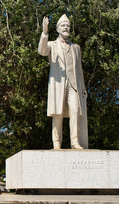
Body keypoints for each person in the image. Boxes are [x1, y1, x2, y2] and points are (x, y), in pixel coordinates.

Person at [38, 14, 88, 150]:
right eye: (63, 26)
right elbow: (42, 51)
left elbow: (79, 69)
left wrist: (83, 88)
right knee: (58, 113)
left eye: (68, 26)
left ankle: (74, 142)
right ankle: (56, 142)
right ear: (58, 29)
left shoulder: (76, 48)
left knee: (75, 111)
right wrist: (44, 32)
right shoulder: (52, 45)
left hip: (74, 85)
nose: (66, 28)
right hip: (58, 85)